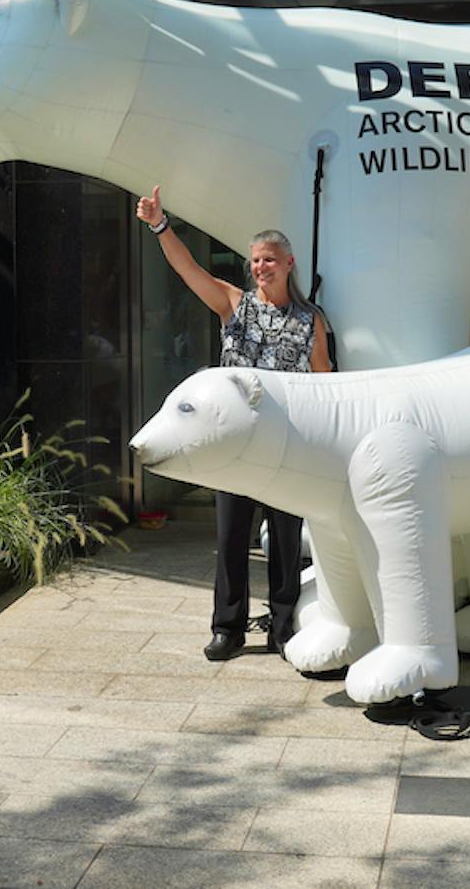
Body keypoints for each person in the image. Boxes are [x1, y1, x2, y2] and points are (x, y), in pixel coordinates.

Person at [135, 185, 331, 661]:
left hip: (286, 449)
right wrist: (161, 225)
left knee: (286, 539)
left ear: (287, 264)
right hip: (235, 449)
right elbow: (187, 269)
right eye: (255, 261)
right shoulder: (234, 304)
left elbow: (325, 382)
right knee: (231, 540)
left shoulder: (311, 321)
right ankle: (228, 628)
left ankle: (283, 628)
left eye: (268, 259)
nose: (260, 267)